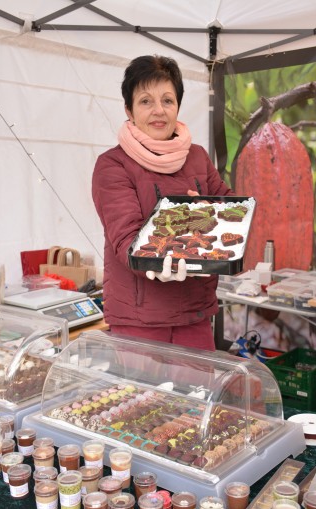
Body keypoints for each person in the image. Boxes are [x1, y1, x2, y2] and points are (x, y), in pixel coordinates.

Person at [92, 55, 233, 353]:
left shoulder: (197, 156)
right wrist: (163, 255)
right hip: (139, 320)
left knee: (198, 398)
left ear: (178, 107)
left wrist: (214, 214)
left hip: (195, 315)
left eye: (167, 100)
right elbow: (125, 239)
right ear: (129, 109)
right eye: (146, 101)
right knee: (143, 401)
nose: (159, 111)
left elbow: (229, 206)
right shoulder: (112, 165)